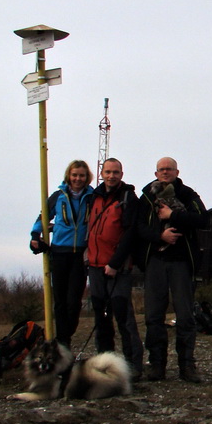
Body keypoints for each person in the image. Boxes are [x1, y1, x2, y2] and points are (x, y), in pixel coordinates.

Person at [137, 156, 210, 383]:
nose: (165, 172)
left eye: (169, 169)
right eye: (161, 169)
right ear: (156, 172)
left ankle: (187, 366)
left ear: (177, 172)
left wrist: (172, 216)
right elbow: (138, 227)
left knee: (186, 316)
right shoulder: (147, 196)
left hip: (181, 262)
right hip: (155, 262)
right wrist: (160, 235)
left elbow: (203, 219)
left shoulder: (187, 195)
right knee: (153, 316)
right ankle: (157, 365)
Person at [86, 157, 144, 382]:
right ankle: (105, 365)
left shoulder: (129, 198)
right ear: (101, 173)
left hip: (118, 268)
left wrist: (115, 263)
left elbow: (130, 234)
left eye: (116, 172)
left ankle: (133, 366)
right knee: (101, 319)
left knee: (123, 317)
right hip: (94, 265)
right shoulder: (94, 197)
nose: (111, 176)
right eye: (108, 172)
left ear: (122, 173)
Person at [30, 159, 94, 348]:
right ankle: (63, 341)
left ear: (86, 177)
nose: (77, 179)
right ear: (68, 176)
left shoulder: (92, 197)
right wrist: (35, 235)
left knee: (74, 302)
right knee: (60, 301)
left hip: (80, 254)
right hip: (59, 253)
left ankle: (66, 334)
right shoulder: (58, 196)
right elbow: (43, 217)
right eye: (74, 175)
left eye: (81, 175)